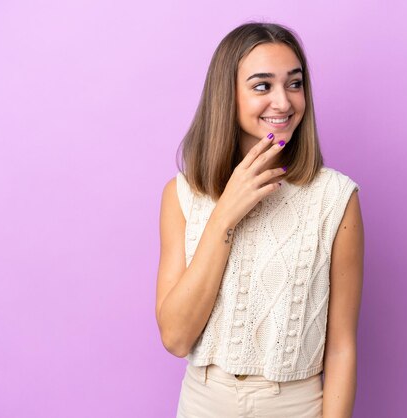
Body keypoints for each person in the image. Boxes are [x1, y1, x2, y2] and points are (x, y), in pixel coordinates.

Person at [155, 22, 364, 418]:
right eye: (262, 86)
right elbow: (176, 337)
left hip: (295, 406)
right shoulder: (182, 195)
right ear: (227, 96)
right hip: (203, 403)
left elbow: (341, 348)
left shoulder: (336, 199)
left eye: (295, 84)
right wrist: (225, 215)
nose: (283, 103)